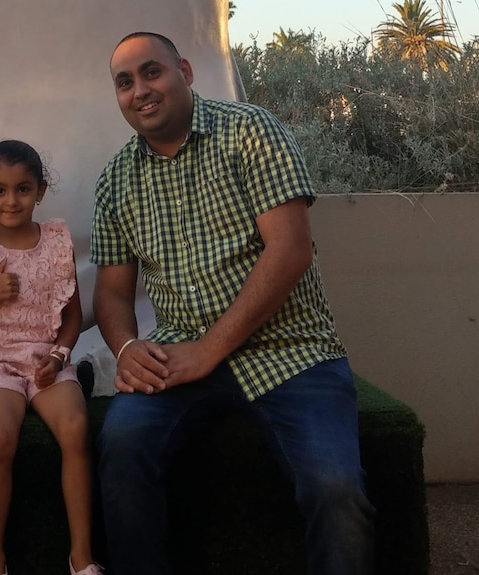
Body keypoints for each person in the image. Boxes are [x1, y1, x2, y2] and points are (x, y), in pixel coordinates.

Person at [90, 32, 376, 575]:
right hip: (179, 356)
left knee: (336, 487)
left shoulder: (250, 130)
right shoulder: (114, 182)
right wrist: (126, 347)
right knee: (121, 445)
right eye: (124, 82)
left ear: (186, 72)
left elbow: (289, 251)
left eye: (152, 72)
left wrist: (209, 349)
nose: (140, 90)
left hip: (291, 348)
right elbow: (111, 290)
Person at [0, 140, 103, 575]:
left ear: (40, 191)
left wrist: (59, 356)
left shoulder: (57, 240)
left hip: (48, 360)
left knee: (76, 429)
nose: (11, 200)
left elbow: (73, 315)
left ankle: (81, 556)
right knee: (0, 437)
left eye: (23, 189)